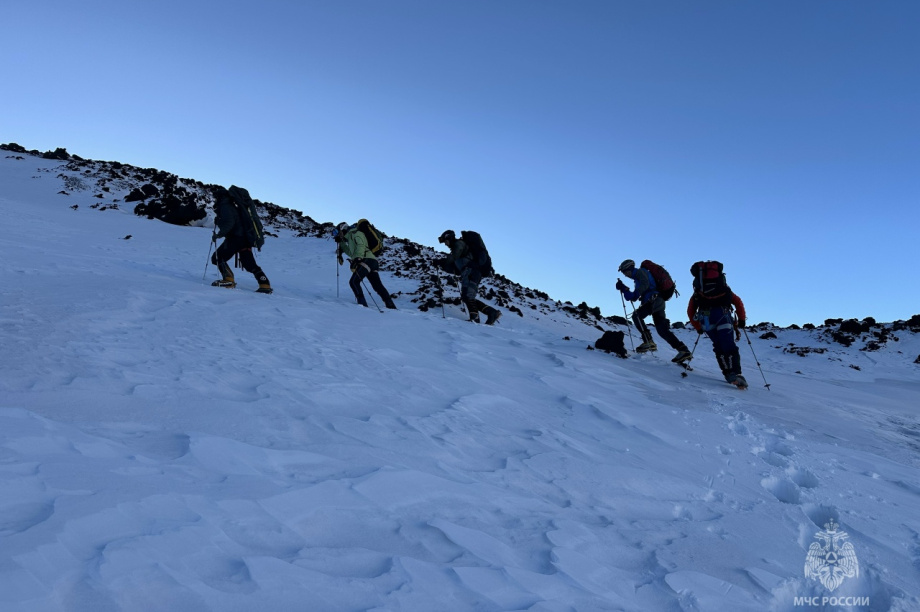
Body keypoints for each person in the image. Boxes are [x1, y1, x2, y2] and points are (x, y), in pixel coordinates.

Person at [616, 259, 691, 362]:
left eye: (624, 272)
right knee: (660, 329)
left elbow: (642, 288)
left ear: (628, 269)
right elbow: (633, 296)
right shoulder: (637, 277)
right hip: (655, 301)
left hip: (654, 301)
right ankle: (682, 350)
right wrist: (624, 289)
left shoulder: (640, 272)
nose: (625, 275)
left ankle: (649, 341)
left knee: (640, 318)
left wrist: (629, 291)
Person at [687, 274, 748, 389]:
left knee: (719, 346)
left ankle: (727, 373)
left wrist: (698, 327)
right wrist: (742, 319)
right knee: (729, 346)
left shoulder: (698, 292)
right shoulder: (724, 290)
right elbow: (738, 302)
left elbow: (690, 311)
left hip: (706, 320)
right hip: (723, 316)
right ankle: (735, 374)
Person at [211, 186, 272, 294]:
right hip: (245, 239)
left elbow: (230, 223)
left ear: (220, 197)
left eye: (216, 197)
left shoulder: (226, 207)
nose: (215, 199)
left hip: (235, 239)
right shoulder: (234, 207)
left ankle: (228, 280)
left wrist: (218, 235)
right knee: (249, 263)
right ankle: (265, 284)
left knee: (217, 258)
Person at [434, 229, 501, 325]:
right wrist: (443, 264)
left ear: (449, 238)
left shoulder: (458, 244)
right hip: (469, 272)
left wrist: (441, 261)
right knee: (466, 296)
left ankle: (475, 318)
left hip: (472, 272)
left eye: (445, 241)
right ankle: (491, 312)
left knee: (468, 295)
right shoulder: (458, 248)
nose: (445, 244)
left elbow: (453, 258)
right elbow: (456, 266)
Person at [334, 222, 396, 309]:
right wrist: (342, 243)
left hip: (367, 260)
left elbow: (361, 245)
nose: (337, 234)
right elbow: (351, 253)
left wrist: (358, 258)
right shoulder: (350, 238)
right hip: (371, 261)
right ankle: (391, 305)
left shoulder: (355, 233)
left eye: (337, 232)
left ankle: (362, 305)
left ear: (342, 229)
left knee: (354, 282)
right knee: (377, 286)